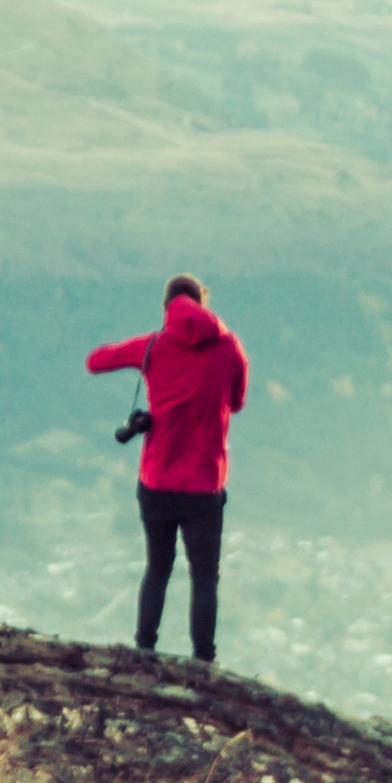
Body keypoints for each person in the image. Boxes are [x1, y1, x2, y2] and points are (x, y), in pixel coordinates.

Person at [84, 273, 251, 662]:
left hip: (157, 481)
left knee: (158, 568)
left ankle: (144, 652)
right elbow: (238, 402)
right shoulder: (229, 347)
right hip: (205, 485)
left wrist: (145, 361)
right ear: (202, 303)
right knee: (204, 576)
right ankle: (203, 663)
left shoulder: (153, 346)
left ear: (167, 308)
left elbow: (95, 362)